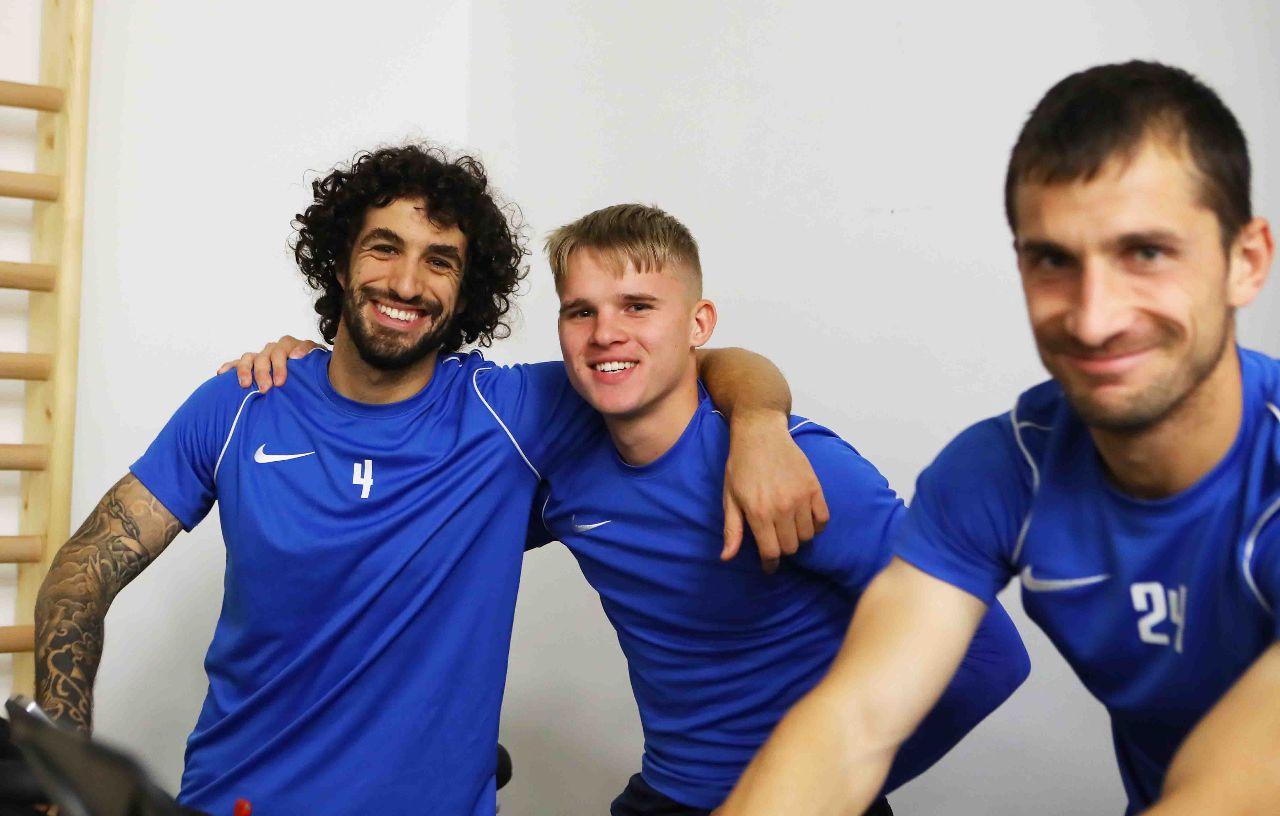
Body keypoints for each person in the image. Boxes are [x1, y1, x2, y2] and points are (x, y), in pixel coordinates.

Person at [32, 144, 825, 816]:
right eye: (384, 248)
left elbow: (686, 362)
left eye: (439, 261)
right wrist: (59, 775)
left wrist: (760, 422)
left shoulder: (512, 414)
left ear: (464, 292)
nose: (408, 283)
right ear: (340, 259)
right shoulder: (241, 404)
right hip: (237, 800)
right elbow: (80, 576)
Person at [248, 204, 1031, 816]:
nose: (606, 334)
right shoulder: (560, 465)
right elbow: (416, 529)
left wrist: (831, 788)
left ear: (699, 325)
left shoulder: (797, 469)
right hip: (669, 794)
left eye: (637, 306)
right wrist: (321, 377)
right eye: (581, 311)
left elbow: (989, 659)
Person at [717, 61, 1280, 816]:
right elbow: (851, 727)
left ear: (1246, 261)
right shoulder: (1000, 473)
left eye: (1146, 253)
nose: (1094, 318)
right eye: (1054, 260)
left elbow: (1234, 783)